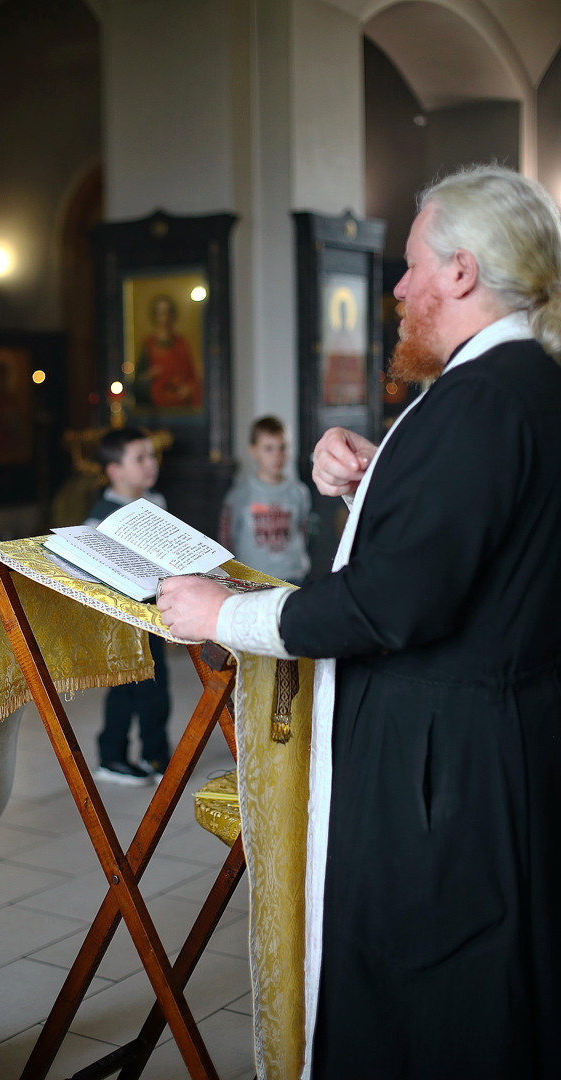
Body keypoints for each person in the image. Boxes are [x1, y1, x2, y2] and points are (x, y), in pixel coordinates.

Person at [156, 164, 561, 1079]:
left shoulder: (481, 398)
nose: (398, 287)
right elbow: (477, 547)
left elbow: (396, 601)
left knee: (435, 997)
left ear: (461, 271)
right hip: (497, 740)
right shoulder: (523, 381)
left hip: (446, 770)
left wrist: (228, 612)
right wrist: (377, 479)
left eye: (413, 263)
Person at [86, 426, 171, 785]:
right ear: (115, 471)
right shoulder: (101, 515)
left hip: (152, 612)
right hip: (121, 617)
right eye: (140, 458)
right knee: (124, 687)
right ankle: (112, 757)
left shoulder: (157, 502)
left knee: (156, 685)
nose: (151, 463)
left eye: (152, 455)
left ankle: (156, 755)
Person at [218, 415, 311, 585]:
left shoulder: (299, 492)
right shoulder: (240, 494)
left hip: (293, 575)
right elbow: (227, 537)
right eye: (269, 448)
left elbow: (303, 529)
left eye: (282, 447)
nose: (277, 455)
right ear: (253, 451)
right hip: (253, 578)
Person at [134, 293, 202, 409]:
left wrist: (188, 388)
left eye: (167, 313)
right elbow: (138, 382)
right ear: (155, 316)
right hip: (156, 407)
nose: (164, 318)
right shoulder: (148, 345)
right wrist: (148, 376)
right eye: (160, 313)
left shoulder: (181, 345)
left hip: (180, 405)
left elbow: (192, 377)